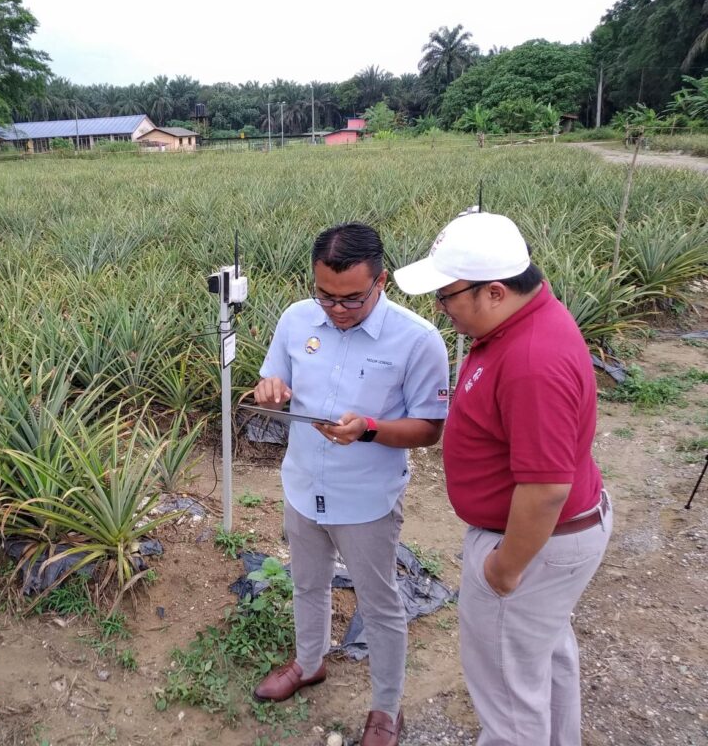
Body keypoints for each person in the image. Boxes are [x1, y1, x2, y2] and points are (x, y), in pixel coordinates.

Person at [393, 211, 613, 746]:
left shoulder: (532, 359)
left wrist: (504, 568)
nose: (441, 308)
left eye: (447, 296)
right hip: (557, 537)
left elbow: (545, 488)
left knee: (510, 701)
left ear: (495, 291)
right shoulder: (524, 320)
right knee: (541, 662)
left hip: (532, 545)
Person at [252, 222, 449, 746]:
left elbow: (430, 428)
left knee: (379, 605)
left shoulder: (417, 340)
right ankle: (309, 662)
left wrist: (370, 429)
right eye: (326, 295)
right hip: (302, 484)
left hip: (366, 499)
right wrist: (270, 390)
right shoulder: (297, 319)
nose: (336, 309)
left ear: (381, 281)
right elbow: (272, 381)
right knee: (307, 584)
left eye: (352, 299)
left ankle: (386, 709)